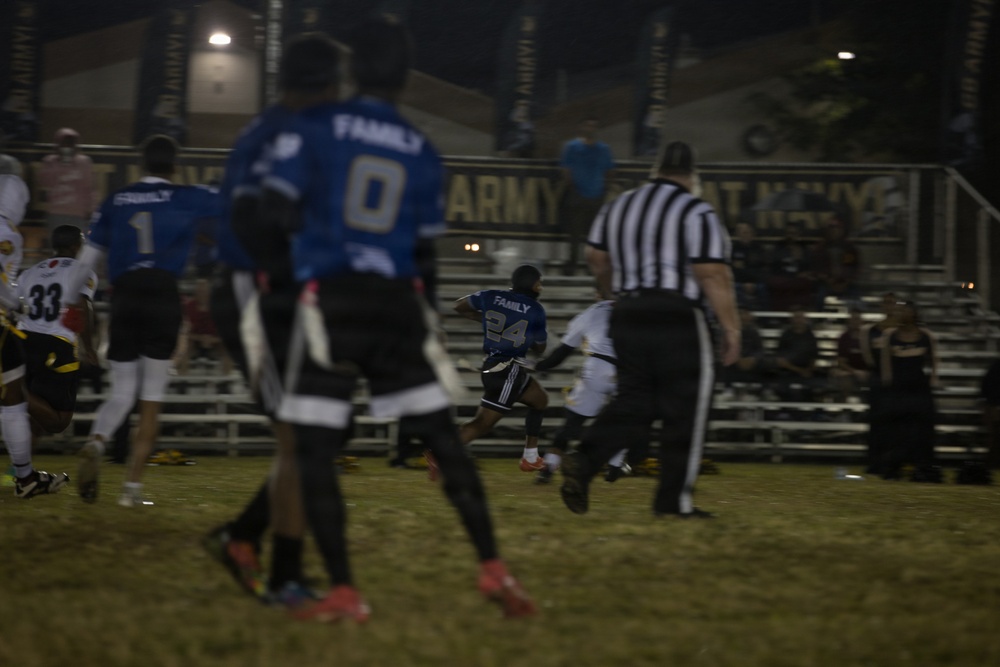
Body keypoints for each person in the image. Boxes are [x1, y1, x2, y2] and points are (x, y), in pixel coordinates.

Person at [259, 18, 535, 621]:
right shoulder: (421, 148)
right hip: (394, 305)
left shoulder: (316, 125)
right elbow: (424, 256)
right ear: (405, 78)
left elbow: (274, 211)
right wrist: (427, 320)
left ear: (352, 70)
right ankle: (494, 568)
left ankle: (344, 589)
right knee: (444, 439)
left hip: (329, 301)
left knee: (314, 448)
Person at [202, 32, 341, 608]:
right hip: (255, 293)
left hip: (256, 290)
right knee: (304, 438)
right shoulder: (288, 132)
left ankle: (244, 538)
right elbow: (250, 215)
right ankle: (281, 574)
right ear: (325, 85)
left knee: (313, 436)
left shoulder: (274, 128)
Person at [560, 140, 740, 518]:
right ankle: (673, 503)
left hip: (629, 313)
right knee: (685, 409)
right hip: (678, 316)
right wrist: (731, 329)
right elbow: (712, 274)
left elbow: (596, 258)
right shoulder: (696, 210)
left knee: (635, 402)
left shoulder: (619, 206)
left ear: (655, 171)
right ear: (692, 176)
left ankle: (586, 460)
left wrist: (614, 293)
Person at [63, 134, 220, 506]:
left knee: (121, 392)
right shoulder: (188, 196)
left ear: (141, 164)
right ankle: (130, 491)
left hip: (126, 296)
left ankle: (97, 442)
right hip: (163, 294)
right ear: (175, 166)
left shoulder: (117, 200)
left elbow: (86, 261)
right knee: (151, 399)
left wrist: (69, 301)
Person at [0, 172, 70, 498]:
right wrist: (16, 304)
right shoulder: (7, 232)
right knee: (14, 402)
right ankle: (26, 478)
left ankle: (26, 477)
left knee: (13, 399)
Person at [452, 265, 550, 472]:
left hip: (495, 365)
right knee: (483, 424)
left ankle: (530, 456)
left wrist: (483, 318)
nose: (540, 287)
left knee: (540, 400)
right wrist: (526, 334)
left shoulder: (491, 296)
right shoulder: (535, 309)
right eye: (539, 283)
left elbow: (459, 306)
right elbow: (540, 348)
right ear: (533, 285)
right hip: (508, 370)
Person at [16, 226, 98, 440]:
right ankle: (10, 391)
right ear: (76, 246)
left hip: (25, 341)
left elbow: (13, 306)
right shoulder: (81, 270)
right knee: (58, 421)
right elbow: (82, 306)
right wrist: (89, 347)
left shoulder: (31, 272)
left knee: (36, 417)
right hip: (56, 344)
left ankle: (22, 466)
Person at [532, 292, 621, 484]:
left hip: (596, 369)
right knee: (625, 420)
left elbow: (563, 352)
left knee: (572, 423)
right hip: (629, 371)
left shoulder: (592, 313)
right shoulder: (640, 310)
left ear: (599, 294)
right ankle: (615, 466)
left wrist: (540, 366)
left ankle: (548, 468)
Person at [879, 300, 940, 481]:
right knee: (897, 431)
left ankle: (922, 467)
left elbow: (934, 360)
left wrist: (934, 378)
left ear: (913, 313)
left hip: (919, 389)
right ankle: (894, 467)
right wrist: (888, 384)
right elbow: (885, 363)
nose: (900, 314)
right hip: (898, 389)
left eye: (904, 310)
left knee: (922, 430)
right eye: (899, 311)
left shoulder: (925, 335)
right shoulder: (890, 335)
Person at [560, 117, 615, 275]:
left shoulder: (603, 149)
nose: (590, 128)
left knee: (594, 236)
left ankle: (590, 266)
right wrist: (573, 189)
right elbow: (566, 171)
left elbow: (609, 170)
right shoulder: (572, 147)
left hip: (596, 195)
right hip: (577, 195)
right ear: (581, 127)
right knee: (574, 234)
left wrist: (604, 189)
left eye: (593, 126)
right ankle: (573, 263)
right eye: (588, 125)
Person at [859, 292, 899, 475]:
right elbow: (869, 358)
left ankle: (893, 461)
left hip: (898, 380)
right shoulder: (873, 329)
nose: (889, 305)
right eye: (886, 302)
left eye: (892, 302)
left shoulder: (901, 330)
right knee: (876, 422)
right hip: (878, 380)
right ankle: (875, 461)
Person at [37, 128, 97, 235]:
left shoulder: (84, 162)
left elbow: (90, 188)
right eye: (64, 143)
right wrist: (60, 164)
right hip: (56, 213)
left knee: (78, 244)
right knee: (57, 244)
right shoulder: (50, 161)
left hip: (78, 214)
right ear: (58, 144)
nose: (67, 146)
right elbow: (44, 182)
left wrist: (91, 209)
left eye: (71, 143)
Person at [174, 278, 230, 375]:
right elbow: (183, 332)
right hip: (194, 340)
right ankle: (182, 378)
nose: (202, 293)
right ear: (195, 292)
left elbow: (227, 332)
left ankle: (226, 379)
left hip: (215, 341)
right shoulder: (188, 307)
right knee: (183, 349)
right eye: (199, 291)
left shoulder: (219, 308)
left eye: (204, 291)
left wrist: (213, 340)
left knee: (228, 352)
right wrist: (200, 338)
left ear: (210, 292)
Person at [811, 216, 861, 310]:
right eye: (831, 228)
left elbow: (852, 268)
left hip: (846, 284)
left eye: (837, 228)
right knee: (819, 297)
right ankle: (819, 317)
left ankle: (855, 317)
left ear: (842, 230)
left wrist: (844, 283)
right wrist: (829, 281)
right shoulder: (820, 248)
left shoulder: (848, 248)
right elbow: (817, 269)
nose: (834, 231)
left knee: (856, 297)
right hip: (826, 283)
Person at [772, 306, 821, 401]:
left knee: (815, 387)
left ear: (805, 319)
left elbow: (814, 356)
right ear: (791, 320)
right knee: (781, 388)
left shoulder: (810, 336)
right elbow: (781, 360)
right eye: (796, 317)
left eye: (801, 317)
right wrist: (799, 370)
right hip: (788, 370)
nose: (798, 320)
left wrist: (809, 370)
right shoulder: (785, 335)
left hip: (806, 370)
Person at [766, 220, 814, 312]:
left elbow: (809, 267)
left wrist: (799, 260)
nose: (791, 236)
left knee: (806, 282)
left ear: (799, 234)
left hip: (799, 279)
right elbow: (774, 267)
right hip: (783, 278)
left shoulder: (804, 249)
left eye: (794, 233)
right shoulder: (778, 247)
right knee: (776, 282)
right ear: (785, 234)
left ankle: (799, 310)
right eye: (789, 233)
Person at [829, 308, 868, 402]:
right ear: (849, 321)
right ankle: (844, 407)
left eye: (857, 319)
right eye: (853, 319)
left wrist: (865, 372)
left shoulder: (867, 338)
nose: (855, 322)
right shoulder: (844, 338)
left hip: (866, 371)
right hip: (849, 371)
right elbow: (841, 362)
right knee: (844, 379)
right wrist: (854, 372)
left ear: (861, 321)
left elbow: (872, 359)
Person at [730, 222, 768, 310]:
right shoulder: (733, 249)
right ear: (738, 234)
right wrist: (745, 282)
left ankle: (765, 315)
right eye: (743, 233)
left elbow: (762, 268)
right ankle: (742, 313)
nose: (745, 235)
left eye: (747, 232)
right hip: (739, 281)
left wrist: (752, 282)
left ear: (752, 234)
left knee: (763, 288)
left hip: (756, 281)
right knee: (735, 288)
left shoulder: (759, 249)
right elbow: (733, 270)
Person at [979, 358, 1000, 470]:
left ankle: (992, 467)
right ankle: (992, 467)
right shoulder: (996, 367)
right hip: (995, 407)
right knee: (996, 439)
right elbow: (987, 389)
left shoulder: (995, 366)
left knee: (995, 440)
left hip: (994, 407)